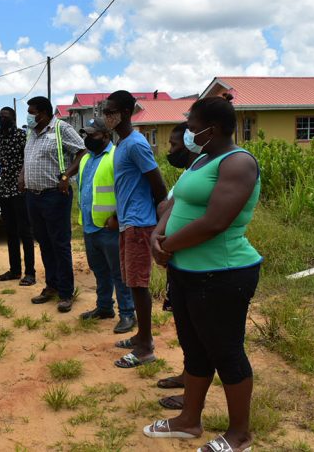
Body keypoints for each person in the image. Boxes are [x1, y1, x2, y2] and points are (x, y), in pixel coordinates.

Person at [143, 96, 262, 452]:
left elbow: (215, 221)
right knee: (194, 350)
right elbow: (176, 202)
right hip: (186, 271)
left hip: (222, 274)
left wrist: (170, 246)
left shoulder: (238, 163)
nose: (189, 132)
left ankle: (239, 434)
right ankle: (189, 420)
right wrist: (157, 234)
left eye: (194, 127)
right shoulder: (201, 161)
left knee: (226, 352)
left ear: (214, 128)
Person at [104, 90, 167, 368]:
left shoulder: (136, 144)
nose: (106, 116)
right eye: (105, 111)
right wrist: (119, 214)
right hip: (128, 223)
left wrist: (155, 223)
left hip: (140, 225)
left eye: (111, 111)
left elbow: (158, 186)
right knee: (132, 282)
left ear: (126, 113)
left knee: (139, 286)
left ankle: (146, 347)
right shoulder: (121, 145)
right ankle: (141, 335)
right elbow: (129, 187)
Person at [19, 96, 86, 313]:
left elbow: (82, 151)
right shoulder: (32, 132)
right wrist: (22, 175)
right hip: (33, 196)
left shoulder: (60, 128)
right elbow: (28, 158)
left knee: (60, 244)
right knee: (45, 243)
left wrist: (66, 176)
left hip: (55, 195)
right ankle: (52, 285)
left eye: (32, 112)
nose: (29, 116)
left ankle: (66, 293)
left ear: (44, 113)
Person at [77, 116, 135, 333]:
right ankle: (104, 307)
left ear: (106, 135)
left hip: (109, 227)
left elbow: (126, 190)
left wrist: (118, 218)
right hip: (90, 226)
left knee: (119, 273)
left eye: (93, 134)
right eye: (87, 134)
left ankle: (128, 314)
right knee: (99, 270)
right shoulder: (86, 158)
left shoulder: (115, 157)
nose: (88, 138)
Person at [156, 121, 195, 411]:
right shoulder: (187, 176)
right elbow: (165, 208)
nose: (170, 150)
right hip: (178, 264)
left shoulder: (205, 175)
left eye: (174, 144)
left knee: (196, 334)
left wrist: (165, 243)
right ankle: (187, 375)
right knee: (184, 328)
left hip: (195, 265)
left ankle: (193, 393)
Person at [0, 106, 36, 286]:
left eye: (5, 116)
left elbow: (27, 160)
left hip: (20, 189)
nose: (2, 119)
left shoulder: (21, 135)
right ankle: (14, 270)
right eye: (0, 116)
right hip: (4, 189)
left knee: (25, 231)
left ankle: (30, 272)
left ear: (13, 118)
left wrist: (22, 179)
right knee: (10, 231)